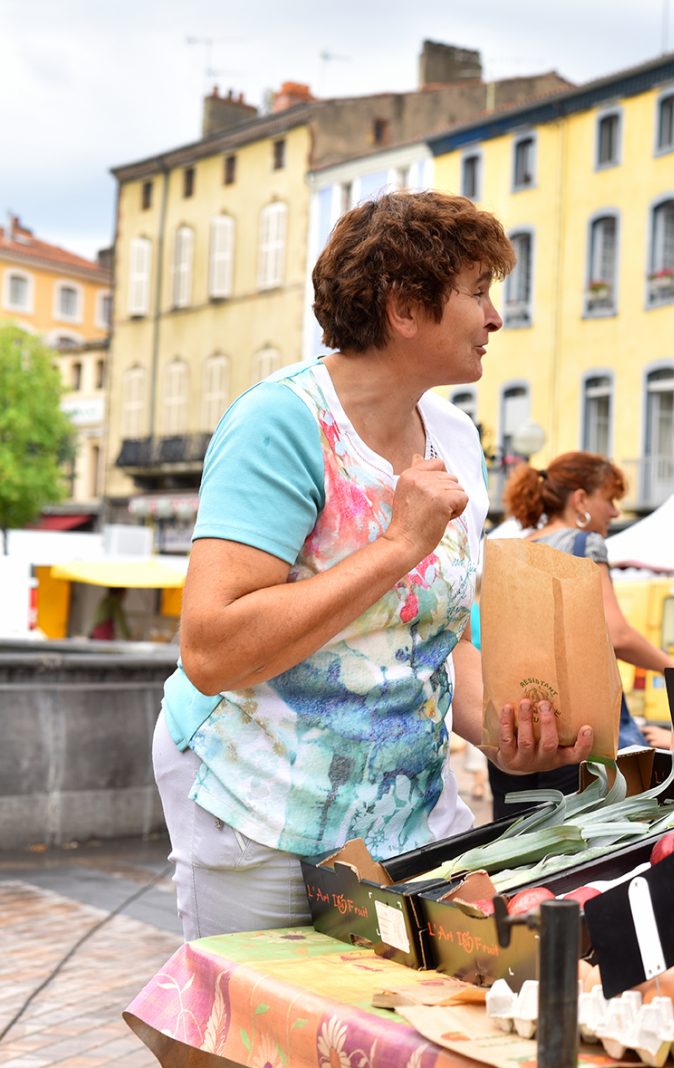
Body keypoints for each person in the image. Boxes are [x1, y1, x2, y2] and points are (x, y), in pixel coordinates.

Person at [152, 191, 593, 940]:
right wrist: (395, 546)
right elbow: (211, 650)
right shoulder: (282, 422)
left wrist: (502, 732)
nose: (495, 318)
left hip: (407, 810)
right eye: (478, 292)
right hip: (259, 802)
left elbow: (435, 637)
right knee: (252, 1041)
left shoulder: (454, 436)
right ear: (404, 308)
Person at [485, 454, 672, 818]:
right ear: (581, 500)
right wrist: (673, 668)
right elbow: (616, 634)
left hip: (518, 728)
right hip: (575, 734)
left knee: (518, 851)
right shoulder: (583, 543)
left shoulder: (520, 549)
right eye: (610, 498)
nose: (615, 512)